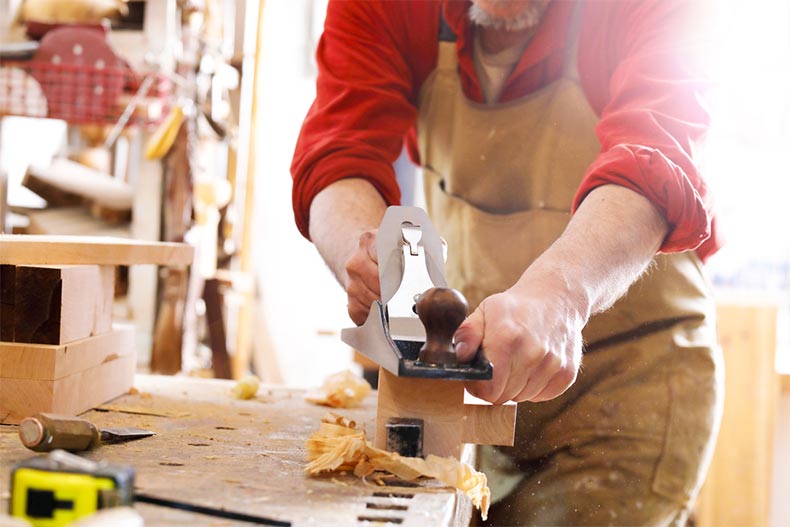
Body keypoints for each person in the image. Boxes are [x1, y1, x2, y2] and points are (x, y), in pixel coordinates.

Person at [291, 1, 723, 525]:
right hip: (482, 395)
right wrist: (365, 251)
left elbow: (657, 153)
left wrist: (562, 292)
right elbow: (339, 150)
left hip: (627, 393)